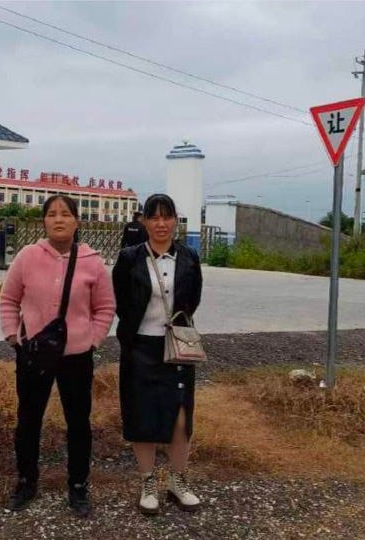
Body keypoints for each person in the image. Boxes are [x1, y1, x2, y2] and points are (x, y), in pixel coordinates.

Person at [0, 194, 116, 517]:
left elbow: (105, 307)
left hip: (76, 356)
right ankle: (26, 482)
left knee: (78, 422)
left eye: (65, 214)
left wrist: (92, 340)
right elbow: (9, 299)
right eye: (52, 214)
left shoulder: (92, 262)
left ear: (77, 221)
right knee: (29, 419)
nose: (59, 219)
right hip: (33, 353)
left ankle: (78, 486)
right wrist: (13, 336)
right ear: (44, 221)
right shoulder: (27, 257)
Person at [112, 193, 203, 515]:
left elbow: (192, 300)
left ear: (175, 221)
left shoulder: (189, 257)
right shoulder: (129, 258)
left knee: (181, 416)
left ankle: (178, 480)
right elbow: (122, 302)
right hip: (140, 347)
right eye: (154, 217)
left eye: (167, 217)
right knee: (142, 415)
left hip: (176, 347)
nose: (161, 223)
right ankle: (148, 481)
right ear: (144, 221)